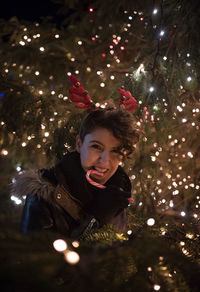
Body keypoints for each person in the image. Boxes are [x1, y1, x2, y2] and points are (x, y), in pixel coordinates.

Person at [11, 83, 139, 239]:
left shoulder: (117, 194)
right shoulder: (43, 198)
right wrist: (95, 219)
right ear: (79, 144)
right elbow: (38, 260)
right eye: (96, 147)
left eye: (115, 151)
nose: (104, 161)